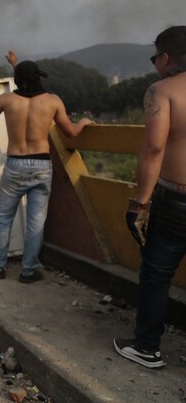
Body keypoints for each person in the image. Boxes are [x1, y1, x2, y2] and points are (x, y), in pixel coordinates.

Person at [0, 52, 94, 283]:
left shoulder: (7, 100)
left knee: (4, 217)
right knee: (36, 221)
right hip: (42, 165)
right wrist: (83, 122)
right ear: (38, 79)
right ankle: (28, 271)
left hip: (15, 164)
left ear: (17, 80)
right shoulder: (53, 101)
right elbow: (71, 133)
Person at [114, 26, 186, 370]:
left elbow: (155, 147)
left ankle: (147, 348)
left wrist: (140, 204)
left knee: (157, 273)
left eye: (155, 56)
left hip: (176, 202)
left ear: (166, 57)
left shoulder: (161, 91)